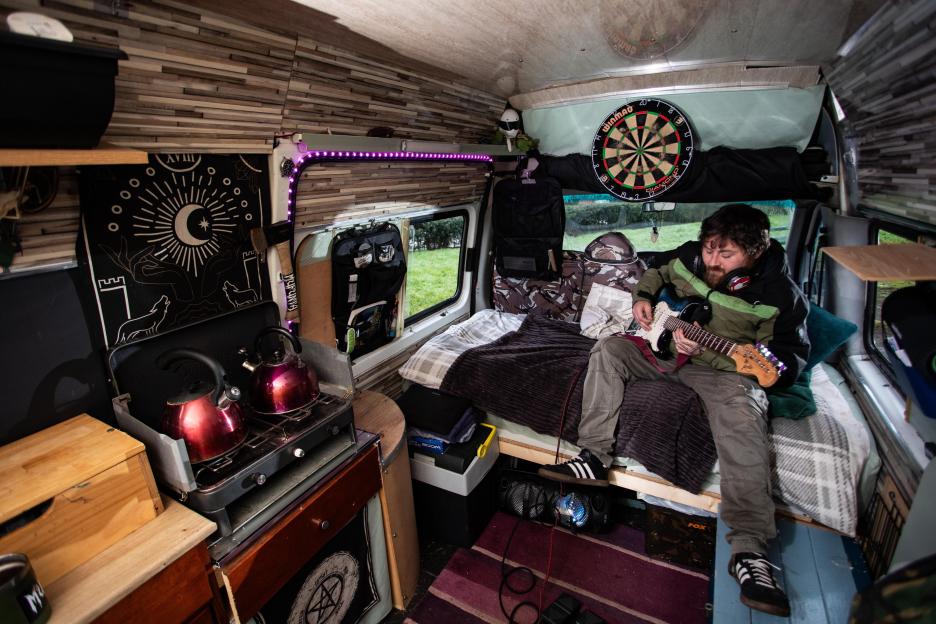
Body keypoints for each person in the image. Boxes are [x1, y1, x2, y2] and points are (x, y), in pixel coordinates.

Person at [538, 203, 809, 617]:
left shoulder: (780, 297)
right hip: (665, 354)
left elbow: (784, 364)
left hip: (723, 372)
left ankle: (749, 552)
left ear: (756, 251)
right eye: (709, 249)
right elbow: (657, 269)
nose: (712, 261)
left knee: (744, 416)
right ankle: (593, 457)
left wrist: (715, 354)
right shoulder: (692, 254)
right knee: (609, 349)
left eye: (726, 254)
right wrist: (643, 297)